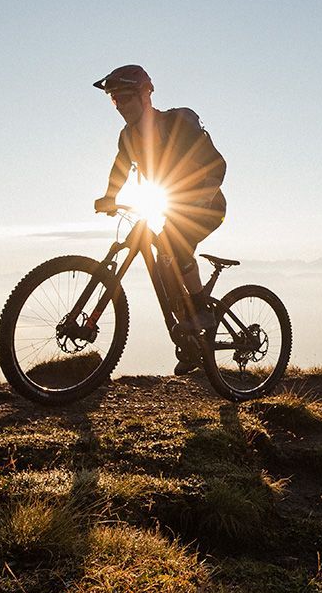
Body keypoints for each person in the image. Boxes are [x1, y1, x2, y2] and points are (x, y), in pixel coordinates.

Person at [92, 64, 227, 375]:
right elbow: (121, 168)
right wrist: (110, 196)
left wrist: (202, 195)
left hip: (208, 205)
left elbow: (217, 164)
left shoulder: (177, 123)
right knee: (165, 266)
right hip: (172, 207)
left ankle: (202, 312)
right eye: (115, 101)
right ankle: (192, 344)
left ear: (145, 95)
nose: (120, 107)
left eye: (125, 98)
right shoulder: (128, 137)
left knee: (175, 249)